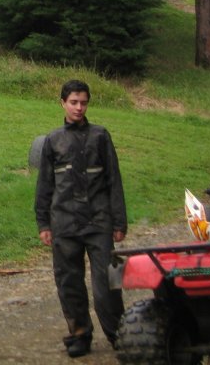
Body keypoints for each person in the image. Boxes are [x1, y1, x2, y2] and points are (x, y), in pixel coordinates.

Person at [34, 79, 127, 358]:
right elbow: (45, 185)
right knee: (68, 282)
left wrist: (119, 222)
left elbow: (114, 180)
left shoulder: (101, 136)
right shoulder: (53, 140)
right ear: (62, 103)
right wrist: (43, 224)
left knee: (108, 285)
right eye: (73, 102)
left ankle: (120, 335)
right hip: (64, 223)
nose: (79, 107)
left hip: (99, 222)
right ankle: (79, 334)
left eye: (83, 102)